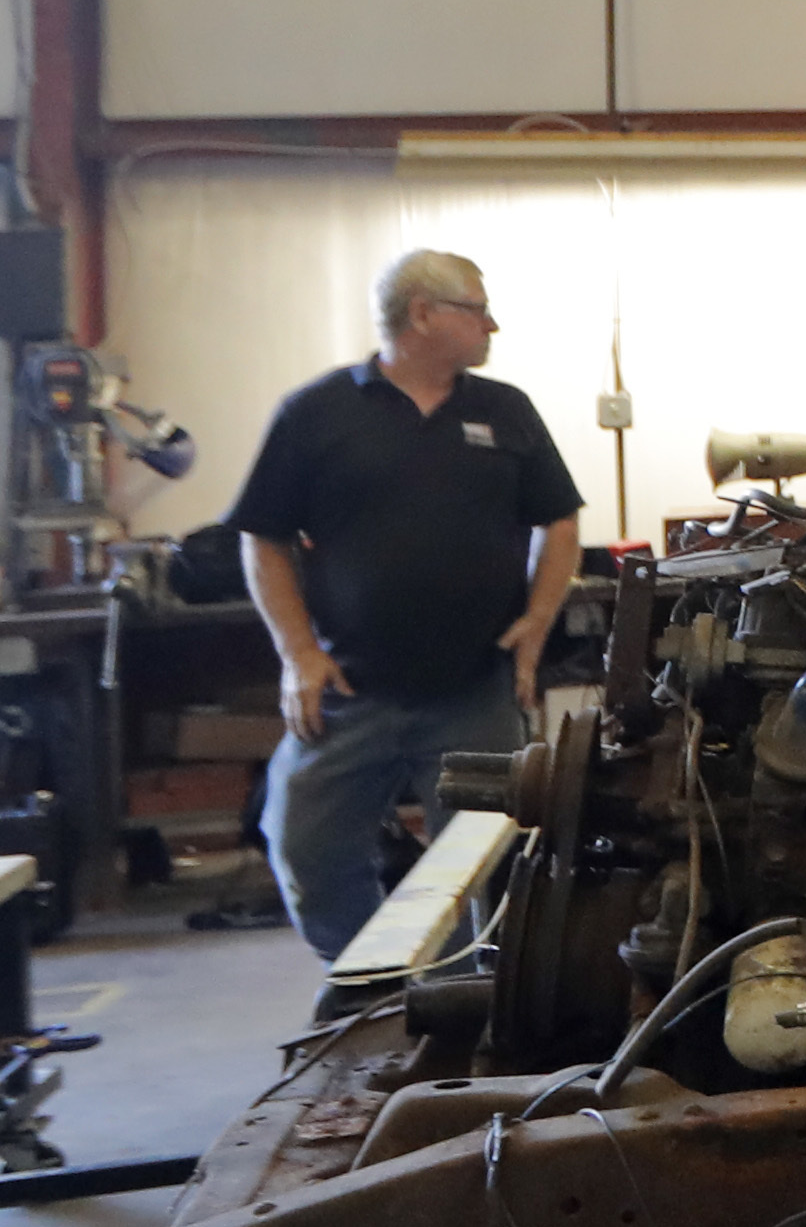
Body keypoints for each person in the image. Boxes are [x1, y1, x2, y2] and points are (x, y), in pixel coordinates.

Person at [233, 249, 583, 966]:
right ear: (422, 314)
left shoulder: (504, 411)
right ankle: (373, 979)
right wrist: (298, 654)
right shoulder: (318, 413)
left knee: (489, 865)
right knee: (306, 847)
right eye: (477, 308)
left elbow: (561, 521)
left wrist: (538, 621)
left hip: (475, 688)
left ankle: (460, 993)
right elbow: (263, 537)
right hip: (347, 687)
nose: (493, 324)